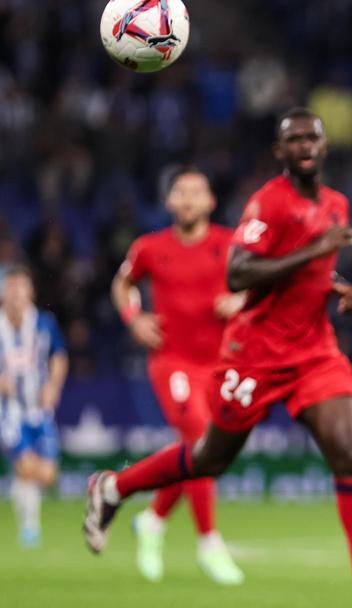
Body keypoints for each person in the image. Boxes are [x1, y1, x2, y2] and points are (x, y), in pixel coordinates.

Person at [83, 109, 352, 608]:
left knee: (349, 453)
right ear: (280, 152)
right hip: (254, 355)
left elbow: (308, 270)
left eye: (313, 136)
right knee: (209, 457)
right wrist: (314, 251)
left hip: (314, 352)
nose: (305, 144)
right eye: (294, 139)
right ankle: (114, 489)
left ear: (325, 147)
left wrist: (336, 285)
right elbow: (240, 272)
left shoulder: (335, 203)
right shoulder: (268, 202)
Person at [113, 166, 244, 585]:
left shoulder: (229, 245)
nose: (187, 200)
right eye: (180, 193)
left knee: (196, 449)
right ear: (169, 201)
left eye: (196, 193)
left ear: (210, 202)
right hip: (172, 362)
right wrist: (133, 318)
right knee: (202, 440)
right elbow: (122, 284)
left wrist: (241, 298)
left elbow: (260, 285)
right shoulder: (150, 248)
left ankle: (153, 520)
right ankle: (209, 542)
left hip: (219, 366)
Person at [1, 266, 67, 548]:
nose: (16, 296)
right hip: (9, 412)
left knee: (48, 474)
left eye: (21, 289)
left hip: (39, 411)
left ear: (31, 293)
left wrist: (53, 386)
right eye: (11, 289)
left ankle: (27, 514)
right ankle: (29, 527)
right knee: (26, 466)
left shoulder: (44, 323)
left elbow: (59, 356)